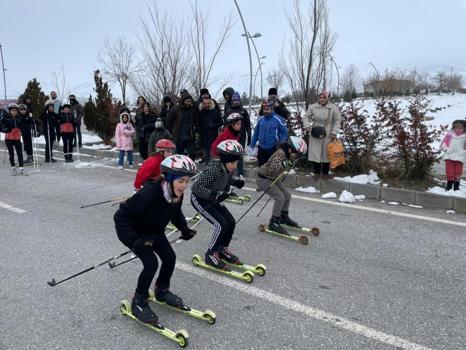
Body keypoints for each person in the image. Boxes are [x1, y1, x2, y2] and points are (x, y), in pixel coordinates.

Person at [114, 154, 197, 322]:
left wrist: (184, 229)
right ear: (170, 178)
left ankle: (161, 291)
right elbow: (120, 216)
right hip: (136, 233)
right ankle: (139, 300)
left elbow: (175, 213)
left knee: (170, 258)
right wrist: (134, 241)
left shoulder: (175, 194)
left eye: (187, 181)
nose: (184, 186)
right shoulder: (150, 193)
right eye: (181, 181)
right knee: (151, 263)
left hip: (155, 231)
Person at [190, 140, 246, 270]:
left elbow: (225, 179)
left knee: (231, 221)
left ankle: (221, 249)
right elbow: (196, 188)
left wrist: (236, 182)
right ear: (225, 159)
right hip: (200, 199)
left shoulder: (227, 168)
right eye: (232, 162)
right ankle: (210, 253)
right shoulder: (213, 169)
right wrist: (215, 195)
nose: (235, 166)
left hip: (213, 199)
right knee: (221, 224)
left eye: (236, 163)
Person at [257, 136, 307, 234]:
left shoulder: (286, 153)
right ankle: (273, 222)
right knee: (280, 198)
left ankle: (283, 217)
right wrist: (287, 163)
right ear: (290, 149)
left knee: (287, 195)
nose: (296, 156)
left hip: (273, 178)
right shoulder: (279, 155)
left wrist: (289, 162)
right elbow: (272, 169)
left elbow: (281, 169)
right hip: (264, 179)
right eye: (296, 154)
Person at [302, 90, 341, 180]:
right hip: (315, 132)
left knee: (326, 154)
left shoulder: (333, 108)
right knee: (315, 154)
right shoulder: (313, 107)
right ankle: (316, 172)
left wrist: (334, 132)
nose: (322, 99)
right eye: (320, 97)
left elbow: (337, 120)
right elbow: (306, 117)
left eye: (324, 97)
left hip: (328, 133)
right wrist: (307, 126)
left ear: (328, 98)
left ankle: (325, 173)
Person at [249, 99, 288, 166]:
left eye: (267, 109)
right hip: (261, 149)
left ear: (272, 109)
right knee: (261, 169)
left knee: (272, 169)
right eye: (264, 109)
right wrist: (252, 144)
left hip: (273, 148)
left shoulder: (278, 119)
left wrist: (281, 142)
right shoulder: (260, 120)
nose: (265, 111)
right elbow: (256, 133)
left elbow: (285, 132)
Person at [224, 91, 252, 176]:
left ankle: (240, 173)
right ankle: (229, 172)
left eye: (237, 100)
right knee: (231, 155)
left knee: (239, 155)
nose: (236, 102)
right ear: (232, 101)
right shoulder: (229, 111)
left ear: (240, 101)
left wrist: (249, 136)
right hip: (231, 137)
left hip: (241, 137)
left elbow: (248, 124)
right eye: (234, 100)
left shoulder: (243, 111)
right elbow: (225, 124)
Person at [166, 91, 196, 159]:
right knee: (179, 155)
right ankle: (180, 168)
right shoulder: (175, 109)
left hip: (189, 136)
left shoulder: (192, 110)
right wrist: (171, 132)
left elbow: (195, 121)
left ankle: (191, 168)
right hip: (179, 137)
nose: (188, 103)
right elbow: (168, 122)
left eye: (189, 101)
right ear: (183, 101)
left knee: (192, 154)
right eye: (187, 101)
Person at [440, 120, 466, 191]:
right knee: (449, 171)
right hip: (449, 156)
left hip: (460, 157)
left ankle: (456, 187)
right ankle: (449, 186)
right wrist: (446, 149)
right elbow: (443, 144)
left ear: (464, 128)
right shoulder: (450, 135)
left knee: (458, 172)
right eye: (456, 127)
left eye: (460, 128)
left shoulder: (465, 137)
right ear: (453, 128)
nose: (458, 129)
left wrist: (463, 152)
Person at [196, 96, 223, 164]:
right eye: (205, 104)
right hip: (203, 138)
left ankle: (214, 173)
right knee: (206, 158)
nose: (207, 105)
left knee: (213, 158)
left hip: (213, 138)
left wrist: (213, 125)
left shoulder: (215, 112)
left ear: (210, 103)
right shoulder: (200, 113)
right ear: (202, 104)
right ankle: (207, 173)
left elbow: (220, 122)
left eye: (208, 103)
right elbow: (198, 124)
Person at [3, 104, 26, 175]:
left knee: (20, 153)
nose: (14, 112)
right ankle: (13, 167)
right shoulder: (6, 118)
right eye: (13, 111)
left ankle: (21, 169)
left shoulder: (19, 118)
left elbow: (23, 125)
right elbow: (2, 126)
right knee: (11, 154)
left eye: (15, 111)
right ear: (10, 111)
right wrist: (5, 129)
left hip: (17, 138)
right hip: (8, 138)